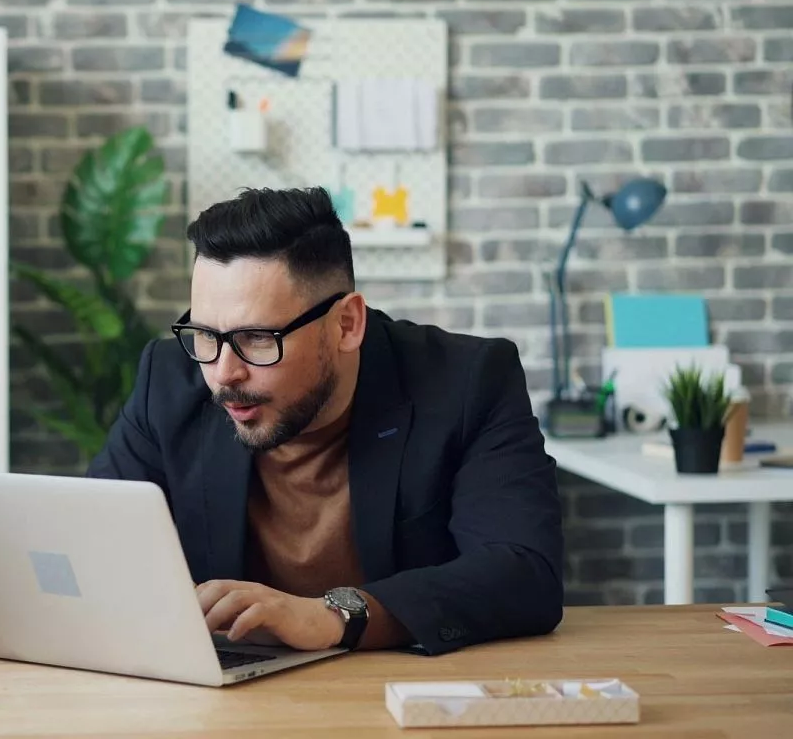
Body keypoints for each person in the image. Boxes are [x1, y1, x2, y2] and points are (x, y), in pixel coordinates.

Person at [86, 186, 564, 656]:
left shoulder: (466, 382)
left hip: (398, 686)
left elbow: (524, 572)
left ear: (346, 324)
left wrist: (333, 617)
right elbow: (94, 543)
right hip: (227, 689)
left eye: (257, 337)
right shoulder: (168, 380)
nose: (223, 373)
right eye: (206, 334)